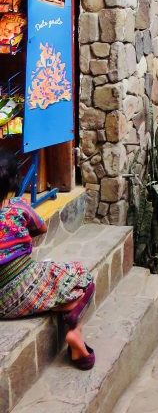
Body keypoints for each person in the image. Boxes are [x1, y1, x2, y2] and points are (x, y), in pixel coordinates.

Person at [0, 150, 96, 369]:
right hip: (21, 290)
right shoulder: (16, 207)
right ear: (15, 181)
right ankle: (75, 332)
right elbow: (41, 228)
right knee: (82, 278)